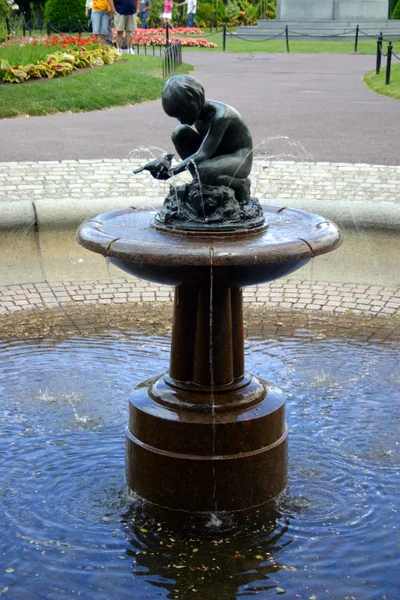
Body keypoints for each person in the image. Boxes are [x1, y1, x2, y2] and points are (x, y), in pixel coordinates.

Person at [142, 75, 253, 202]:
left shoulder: (221, 116)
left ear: (194, 104)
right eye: (177, 117)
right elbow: (204, 149)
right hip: (214, 152)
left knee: (204, 170)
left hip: (238, 159)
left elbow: (203, 153)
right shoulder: (199, 113)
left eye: (183, 114)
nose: (181, 120)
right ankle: (199, 181)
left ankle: (240, 184)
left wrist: (172, 171)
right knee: (179, 133)